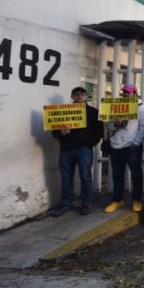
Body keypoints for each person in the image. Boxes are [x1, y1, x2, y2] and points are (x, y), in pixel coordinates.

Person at [50, 86, 103, 216]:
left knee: (85, 177)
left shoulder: (93, 112)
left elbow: (99, 132)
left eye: (82, 94)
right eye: (76, 94)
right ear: (72, 96)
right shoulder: (64, 111)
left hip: (83, 150)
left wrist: (88, 144)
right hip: (66, 150)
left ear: (86, 97)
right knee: (66, 178)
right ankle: (66, 203)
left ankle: (86, 203)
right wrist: (61, 133)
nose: (79, 96)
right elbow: (54, 131)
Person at [105, 83, 144, 213]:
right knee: (117, 174)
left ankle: (137, 200)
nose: (125, 94)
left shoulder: (141, 108)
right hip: (116, 146)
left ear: (135, 93)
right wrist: (115, 124)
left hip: (132, 147)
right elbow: (108, 126)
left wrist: (135, 143)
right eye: (124, 92)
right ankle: (117, 200)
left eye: (128, 92)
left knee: (136, 174)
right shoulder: (116, 106)